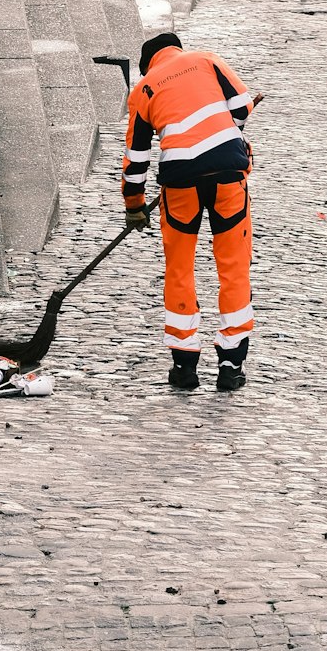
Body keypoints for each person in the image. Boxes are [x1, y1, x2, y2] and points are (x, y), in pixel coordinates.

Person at [120, 32, 257, 393]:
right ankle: (230, 365)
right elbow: (242, 106)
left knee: (179, 267)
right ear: (176, 50)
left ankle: (184, 366)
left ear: (147, 65)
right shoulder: (207, 60)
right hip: (228, 175)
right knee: (233, 267)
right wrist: (228, 136)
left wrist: (134, 207)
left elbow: (136, 161)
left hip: (179, 182)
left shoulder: (144, 90)